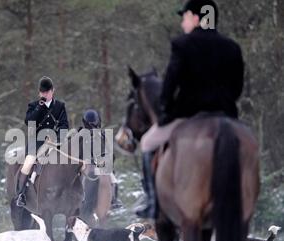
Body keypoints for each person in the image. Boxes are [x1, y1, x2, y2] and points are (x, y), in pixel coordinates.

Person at [135, 0, 244, 219]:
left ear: (196, 18)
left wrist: (166, 108)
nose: (183, 22)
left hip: (188, 116)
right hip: (225, 115)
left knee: (147, 143)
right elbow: (237, 88)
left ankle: (153, 203)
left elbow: (170, 84)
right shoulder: (232, 47)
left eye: (184, 16)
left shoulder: (182, 44)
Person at [16, 76, 69, 207]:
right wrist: (39, 108)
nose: (45, 94)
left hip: (55, 141)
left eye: (47, 92)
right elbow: (29, 122)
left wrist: (57, 137)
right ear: (39, 93)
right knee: (28, 164)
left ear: (53, 91)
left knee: (70, 161)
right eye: (42, 92)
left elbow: (64, 125)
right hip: (37, 142)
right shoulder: (33, 105)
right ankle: (21, 194)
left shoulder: (60, 106)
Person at [81, 109, 123, 210]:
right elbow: (110, 153)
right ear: (98, 121)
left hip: (86, 163)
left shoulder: (81, 135)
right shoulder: (103, 135)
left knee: (79, 180)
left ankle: (80, 199)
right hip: (99, 163)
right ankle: (114, 200)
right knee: (114, 181)